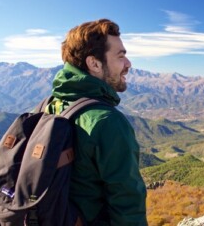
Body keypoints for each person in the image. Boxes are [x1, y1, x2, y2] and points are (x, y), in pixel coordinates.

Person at [47, 19, 147, 225]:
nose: (128, 64)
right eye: (121, 57)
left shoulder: (46, 108)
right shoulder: (107, 122)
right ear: (94, 63)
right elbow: (127, 205)